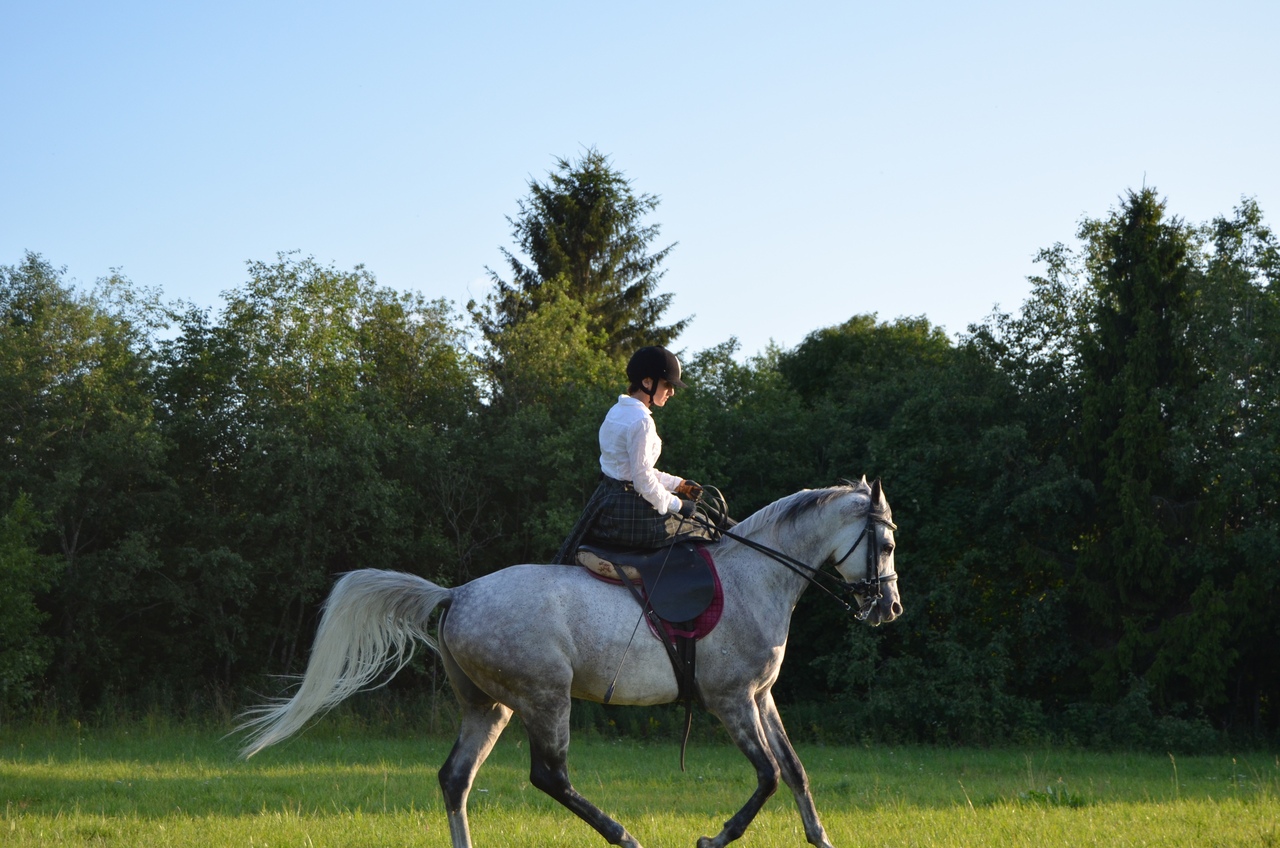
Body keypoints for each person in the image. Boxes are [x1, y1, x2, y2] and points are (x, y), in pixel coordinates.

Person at [554, 346, 721, 564]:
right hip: (627, 510)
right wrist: (678, 505)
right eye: (667, 384)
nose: (671, 392)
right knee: (704, 529)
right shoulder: (642, 421)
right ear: (648, 382)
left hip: (605, 501)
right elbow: (643, 482)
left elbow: (635, 471)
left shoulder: (617, 410)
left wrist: (678, 485)